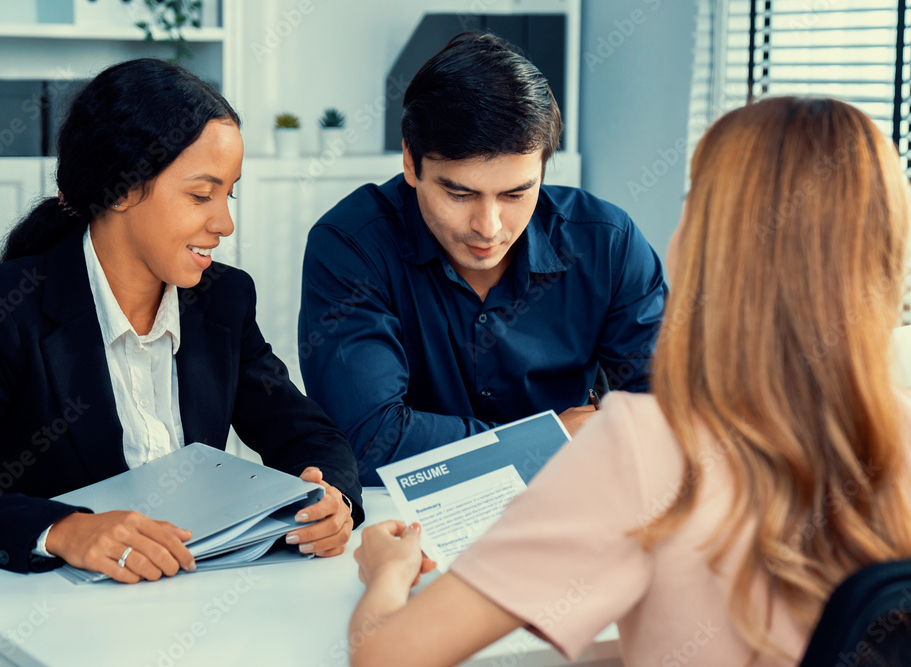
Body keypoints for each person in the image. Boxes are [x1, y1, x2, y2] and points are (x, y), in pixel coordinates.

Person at [347, 96, 911, 666]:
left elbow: (386, 656)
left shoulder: (642, 446)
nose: (489, 225)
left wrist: (386, 576)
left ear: (711, 245)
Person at [0, 58, 362, 584]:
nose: (224, 223)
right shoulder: (4, 308)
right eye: (200, 195)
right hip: (58, 612)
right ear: (121, 188)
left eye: (228, 193)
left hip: (191, 593)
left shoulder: (223, 300)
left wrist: (332, 496)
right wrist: (62, 530)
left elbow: (307, 434)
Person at [299, 32, 667, 485]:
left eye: (517, 192)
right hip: (404, 526)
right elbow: (368, 441)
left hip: (570, 507)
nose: (489, 227)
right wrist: (545, 441)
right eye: (460, 192)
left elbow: (664, 412)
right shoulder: (351, 245)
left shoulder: (607, 244)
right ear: (411, 162)